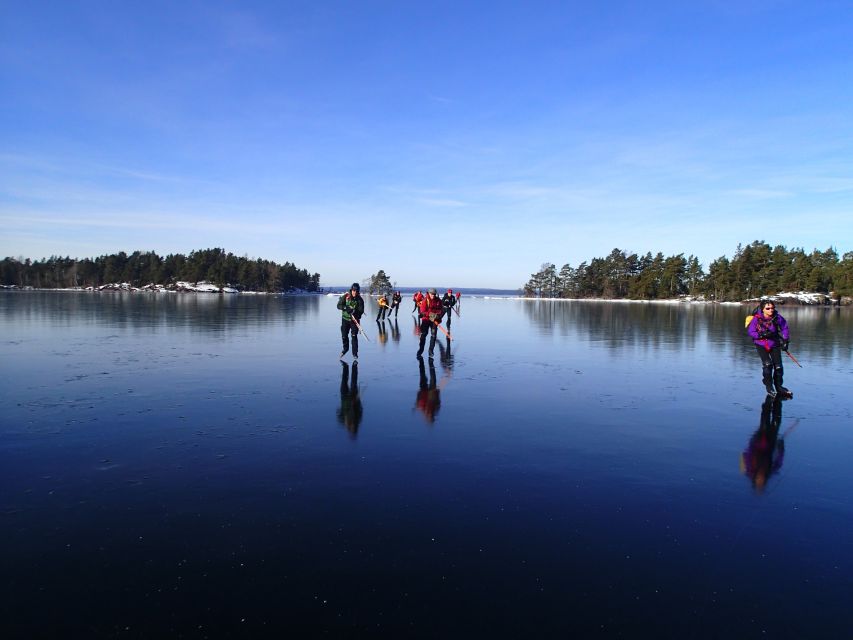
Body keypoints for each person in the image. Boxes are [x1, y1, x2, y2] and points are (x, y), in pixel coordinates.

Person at [746, 300, 791, 397]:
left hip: (774, 343)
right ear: (763, 309)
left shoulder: (777, 317)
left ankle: (779, 387)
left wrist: (785, 341)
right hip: (761, 344)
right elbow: (751, 332)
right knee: (768, 364)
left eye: (772, 308)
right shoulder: (756, 319)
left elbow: (784, 327)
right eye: (768, 308)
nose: (771, 310)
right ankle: (769, 386)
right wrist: (761, 334)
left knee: (778, 367)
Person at [740, 395, 785, 493]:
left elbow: (745, 455)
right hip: (770, 444)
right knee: (776, 423)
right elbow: (779, 462)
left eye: (759, 480)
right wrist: (781, 448)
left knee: (764, 424)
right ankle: (778, 402)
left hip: (758, 442)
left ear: (755, 479)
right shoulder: (770, 471)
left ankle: (768, 402)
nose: (761, 478)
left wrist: (744, 459)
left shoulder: (750, 469)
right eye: (762, 481)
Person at [336, 283, 364, 360]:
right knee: (344, 335)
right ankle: (345, 349)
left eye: (356, 291)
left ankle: (355, 353)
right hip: (345, 319)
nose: (355, 292)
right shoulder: (346, 296)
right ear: (351, 290)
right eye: (354, 290)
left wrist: (354, 312)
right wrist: (345, 308)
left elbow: (361, 311)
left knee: (354, 336)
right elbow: (338, 306)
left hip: (354, 321)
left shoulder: (360, 300)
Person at [336, 361, 362, 438]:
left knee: (344, 380)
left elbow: (338, 414)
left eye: (352, 428)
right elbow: (360, 409)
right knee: (353, 381)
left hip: (344, 398)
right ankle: (354, 366)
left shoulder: (343, 421)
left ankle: (345, 366)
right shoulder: (358, 418)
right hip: (353, 396)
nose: (353, 425)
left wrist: (345, 418)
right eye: (354, 427)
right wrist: (357, 401)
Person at [417, 287, 444, 359]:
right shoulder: (425, 300)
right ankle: (421, 350)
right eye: (432, 294)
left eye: (434, 294)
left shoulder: (438, 301)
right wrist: (432, 315)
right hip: (426, 319)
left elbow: (441, 310)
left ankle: (431, 350)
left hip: (434, 320)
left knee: (434, 335)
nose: (433, 295)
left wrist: (438, 316)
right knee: (424, 334)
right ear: (429, 293)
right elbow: (423, 311)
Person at [415, 355, 441, 424]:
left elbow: (419, 400)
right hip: (430, 392)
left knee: (423, 375)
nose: (430, 414)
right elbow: (438, 401)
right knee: (431, 377)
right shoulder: (435, 408)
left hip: (425, 391)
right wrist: (437, 393)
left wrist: (418, 396)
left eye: (430, 416)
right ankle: (430, 364)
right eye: (431, 416)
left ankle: (427, 363)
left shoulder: (424, 408)